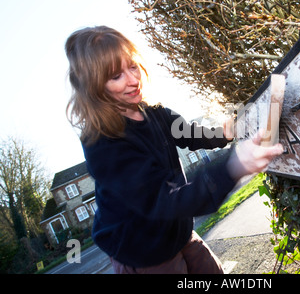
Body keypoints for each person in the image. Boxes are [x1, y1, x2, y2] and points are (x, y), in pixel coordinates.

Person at [65, 25, 283, 274]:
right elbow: (163, 199)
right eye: (116, 76)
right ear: (95, 88)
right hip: (144, 251)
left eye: (133, 66)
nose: (134, 80)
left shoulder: (156, 114)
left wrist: (225, 132)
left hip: (178, 233)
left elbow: (192, 133)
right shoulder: (103, 144)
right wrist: (232, 166)